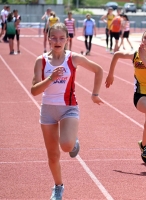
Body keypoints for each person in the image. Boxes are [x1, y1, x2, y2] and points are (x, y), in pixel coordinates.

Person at [30, 22, 104, 200]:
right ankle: (58, 187)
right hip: (48, 110)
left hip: (68, 108)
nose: (57, 41)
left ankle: (72, 140)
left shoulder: (73, 58)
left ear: (67, 39)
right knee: (53, 155)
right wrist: (51, 78)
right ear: (48, 38)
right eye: (54, 37)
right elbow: (34, 91)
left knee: (66, 146)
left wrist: (95, 94)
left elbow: (98, 70)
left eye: (61, 38)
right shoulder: (41, 61)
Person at [105, 29, 146, 163]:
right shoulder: (135, 55)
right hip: (141, 95)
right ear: (142, 40)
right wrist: (111, 74)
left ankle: (143, 144)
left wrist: (143, 58)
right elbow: (116, 55)